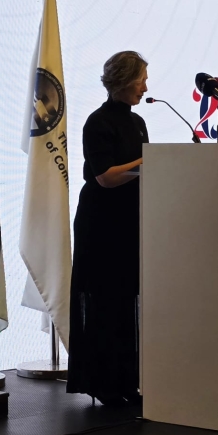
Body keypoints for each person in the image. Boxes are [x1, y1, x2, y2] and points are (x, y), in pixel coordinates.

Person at [67, 51, 149, 406]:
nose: (145, 88)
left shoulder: (139, 122)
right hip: (101, 223)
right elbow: (106, 177)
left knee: (127, 301)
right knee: (105, 300)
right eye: (141, 80)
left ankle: (128, 380)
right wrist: (150, 161)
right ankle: (103, 383)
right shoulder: (97, 122)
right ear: (124, 81)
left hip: (131, 219)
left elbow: (141, 171)